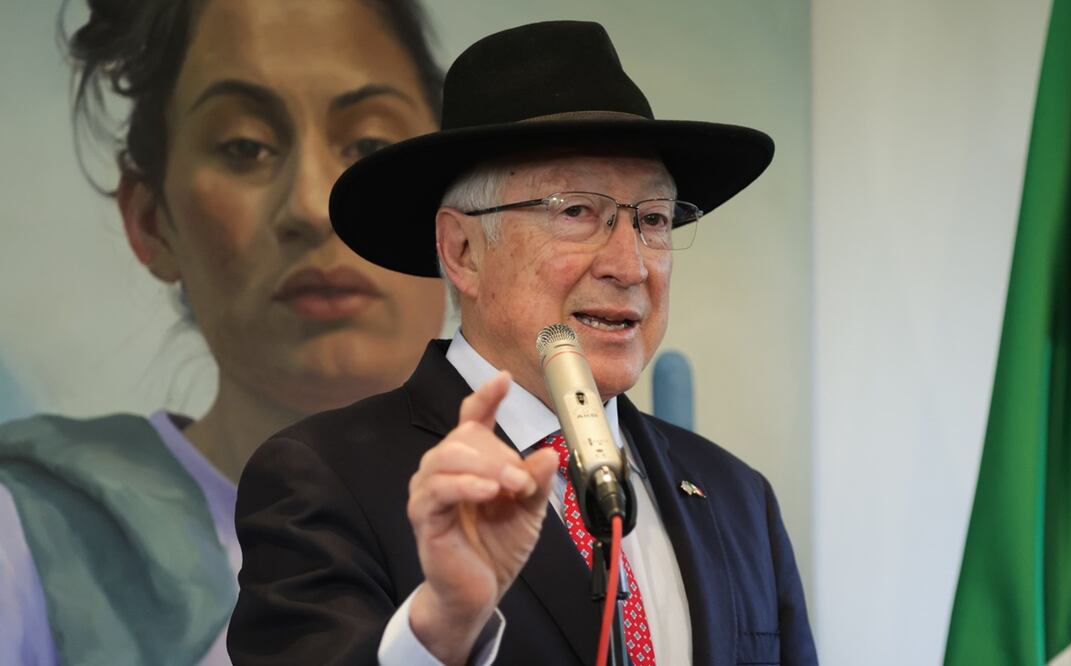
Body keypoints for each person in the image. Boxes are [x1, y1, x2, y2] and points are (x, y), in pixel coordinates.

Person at [229, 20, 817, 666]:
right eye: (576, 213)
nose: (629, 264)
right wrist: (443, 624)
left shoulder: (737, 499)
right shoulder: (326, 478)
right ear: (462, 251)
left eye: (651, 220)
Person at [0, 1, 446, 664]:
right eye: (245, 148)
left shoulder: (597, 526)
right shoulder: (31, 541)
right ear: (150, 220)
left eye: (371, 146)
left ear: (463, 209)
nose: (314, 207)